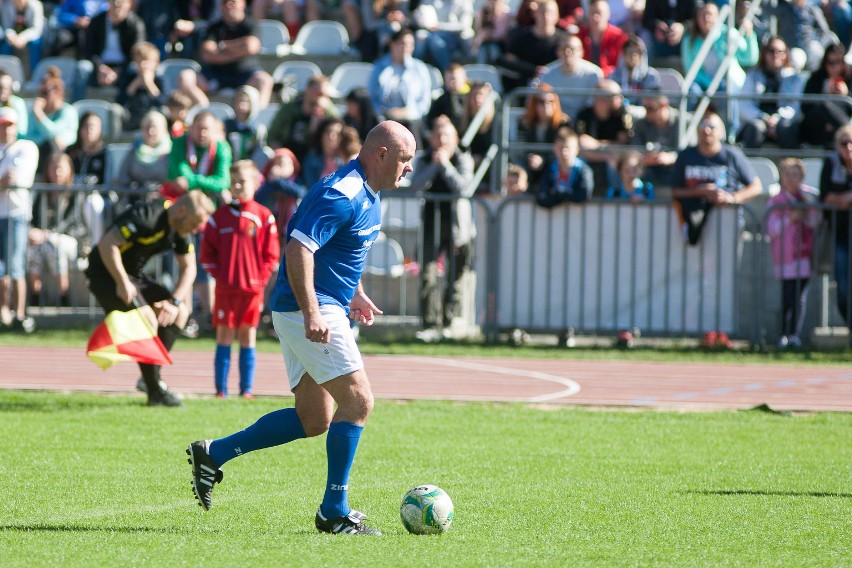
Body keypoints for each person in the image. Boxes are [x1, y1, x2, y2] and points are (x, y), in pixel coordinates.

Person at [186, 121, 417, 537]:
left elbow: (342, 250)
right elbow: (299, 247)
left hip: (321, 305)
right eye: (405, 159)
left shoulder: (369, 191)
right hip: (309, 308)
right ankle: (334, 511)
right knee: (359, 402)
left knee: (314, 418)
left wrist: (356, 293)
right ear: (382, 154)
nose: (409, 169)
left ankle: (213, 454)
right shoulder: (342, 192)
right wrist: (313, 312)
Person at [86, 190, 215, 406]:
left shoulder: (180, 228)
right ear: (182, 210)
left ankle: (150, 381)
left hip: (133, 276)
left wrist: (174, 301)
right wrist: (121, 282)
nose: (195, 230)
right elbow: (108, 244)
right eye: (194, 224)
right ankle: (155, 390)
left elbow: (189, 267)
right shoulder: (147, 215)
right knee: (147, 317)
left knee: (181, 313)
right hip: (105, 273)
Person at [201, 161, 280, 398]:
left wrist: (260, 279)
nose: (237, 186)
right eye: (233, 181)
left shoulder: (264, 217)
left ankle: (246, 390)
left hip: (252, 291)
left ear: (256, 183)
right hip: (225, 291)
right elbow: (207, 254)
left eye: (242, 181)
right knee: (224, 336)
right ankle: (220, 391)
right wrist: (220, 276)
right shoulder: (218, 218)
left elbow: (272, 255)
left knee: (248, 336)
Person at [408, 116, 475, 339]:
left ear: (455, 138)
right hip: (431, 222)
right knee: (427, 274)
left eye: (446, 135)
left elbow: (463, 187)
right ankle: (429, 324)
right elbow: (416, 185)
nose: (442, 140)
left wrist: (445, 165)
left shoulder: (463, 159)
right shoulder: (424, 158)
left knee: (455, 275)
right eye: (437, 135)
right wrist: (434, 166)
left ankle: (449, 323)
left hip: (457, 226)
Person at [671, 111, 762, 245]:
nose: (707, 130)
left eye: (712, 126)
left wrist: (732, 198)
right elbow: (675, 191)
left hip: (726, 221)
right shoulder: (686, 156)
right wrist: (700, 191)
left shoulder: (732, 155)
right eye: (703, 125)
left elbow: (756, 186)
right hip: (693, 222)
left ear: (721, 132)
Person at [766, 157, 821, 349]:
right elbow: (772, 230)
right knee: (787, 296)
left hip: (803, 255)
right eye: (788, 175)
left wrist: (809, 210)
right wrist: (791, 217)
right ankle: (782, 333)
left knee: (800, 298)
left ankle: (794, 334)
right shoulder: (776, 201)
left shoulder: (806, 199)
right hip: (785, 256)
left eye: (795, 175)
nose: (791, 179)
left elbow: (815, 224)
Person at [27, 153, 87, 307]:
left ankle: (63, 296)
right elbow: (33, 218)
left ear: (69, 170)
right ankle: (35, 295)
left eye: (60, 168)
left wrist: (47, 234)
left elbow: (72, 221)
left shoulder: (75, 193)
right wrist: (32, 231)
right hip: (44, 240)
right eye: (53, 167)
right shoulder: (42, 193)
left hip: (70, 238)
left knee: (54, 245)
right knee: (34, 248)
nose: (56, 172)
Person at [0, 107, 38, 333]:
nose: (6, 130)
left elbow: (17, 179)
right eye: (2, 126)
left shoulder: (26, 148)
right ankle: (4, 312)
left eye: (9, 125)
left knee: (15, 266)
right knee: (1, 267)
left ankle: (20, 314)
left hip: (15, 214)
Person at [198, 0, 274, 108]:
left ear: (242, 3)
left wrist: (223, 47)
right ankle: (203, 110)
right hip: (217, 74)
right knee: (186, 77)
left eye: (233, 1)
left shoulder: (251, 24)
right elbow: (207, 53)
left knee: (265, 80)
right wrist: (239, 50)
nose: (229, 5)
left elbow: (251, 47)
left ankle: (259, 117)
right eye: (225, 2)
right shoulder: (214, 27)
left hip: (245, 73)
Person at [737, 36, 803, 149]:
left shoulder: (794, 78)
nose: (775, 54)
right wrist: (764, 118)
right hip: (758, 119)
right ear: (765, 53)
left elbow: (794, 107)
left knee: (786, 128)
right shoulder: (752, 75)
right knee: (756, 128)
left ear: (786, 54)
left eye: (780, 51)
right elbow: (744, 105)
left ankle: (791, 165)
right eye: (771, 51)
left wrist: (777, 118)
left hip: (782, 120)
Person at [368, 27, 432, 139]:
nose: (406, 48)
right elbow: (372, 96)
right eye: (402, 43)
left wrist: (408, 112)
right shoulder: (379, 67)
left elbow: (424, 102)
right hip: (384, 117)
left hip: (411, 118)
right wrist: (386, 113)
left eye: (410, 44)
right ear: (392, 44)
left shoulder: (420, 69)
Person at [819, 124, 852, 331]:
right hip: (840, 235)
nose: (848, 147)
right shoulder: (831, 164)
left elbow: (835, 198)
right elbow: (826, 198)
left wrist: (846, 198)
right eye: (844, 143)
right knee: (843, 289)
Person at [573, 79, 633, 195]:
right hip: (591, 155)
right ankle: (580, 195)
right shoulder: (584, 114)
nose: (621, 99)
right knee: (578, 160)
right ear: (600, 99)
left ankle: (616, 195)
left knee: (614, 162)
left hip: (612, 156)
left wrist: (597, 145)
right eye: (616, 96)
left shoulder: (621, 114)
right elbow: (581, 144)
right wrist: (605, 154)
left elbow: (622, 144)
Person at [498, 0, 566, 92]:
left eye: (550, 12)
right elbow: (507, 60)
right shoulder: (521, 38)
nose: (546, 16)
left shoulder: (563, 40)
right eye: (542, 12)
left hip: (556, 88)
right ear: (535, 14)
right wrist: (533, 70)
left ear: (557, 15)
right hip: (525, 89)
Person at [267, 74, 339, 161]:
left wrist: (318, 121)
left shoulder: (329, 113)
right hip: (288, 155)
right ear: (307, 90)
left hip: (315, 158)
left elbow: (334, 140)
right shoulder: (289, 109)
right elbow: (272, 136)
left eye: (325, 95)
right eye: (318, 93)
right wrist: (282, 154)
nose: (321, 98)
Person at [80, 0, 147, 91]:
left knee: (137, 68)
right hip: (100, 64)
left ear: (128, 4)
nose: (117, 4)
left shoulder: (136, 24)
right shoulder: (96, 22)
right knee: (82, 67)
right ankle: (77, 102)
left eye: (121, 1)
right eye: (113, 1)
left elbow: (137, 52)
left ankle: (128, 102)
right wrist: (99, 67)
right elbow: (88, 50)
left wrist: (118, 71)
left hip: (124, 66)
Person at [538, 33, 603, 123]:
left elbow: (593, 105)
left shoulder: (594, 73)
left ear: (581, 52)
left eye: (572, 49)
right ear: (558, 52)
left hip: (585, 122)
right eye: (564, 49)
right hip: (555, 122)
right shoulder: (547, 73)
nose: (567, 53)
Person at [26, 66, 78, 176]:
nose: (41, 96)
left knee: (51, 144)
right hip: (42, 153)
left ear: (58, 92)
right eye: (40, 92)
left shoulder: (67, 111)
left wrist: (39, 115)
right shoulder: (34, 112)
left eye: (45, 92)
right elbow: (29, 136)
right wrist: (45, 138)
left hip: (66, 155)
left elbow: (53, 132)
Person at [514, 83, 572, 178]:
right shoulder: (525, 122)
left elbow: (564, 148)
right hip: (530, 162)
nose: (546, 106)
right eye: (541, 102)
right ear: (534, 104)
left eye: (550, 101)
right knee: (519, 166)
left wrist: (543, 159)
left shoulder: (563, 123)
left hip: (554, 161)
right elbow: (521, 146)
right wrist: (530, 157)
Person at [800, 43, 852, 148]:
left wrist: (846, 95)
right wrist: (826, 94)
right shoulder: (816, 78)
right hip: (816, 128)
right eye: (830, 62)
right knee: (823, 105)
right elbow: (805, 107)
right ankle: (848, 132)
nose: (835, 66)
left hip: (835, 132)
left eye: (839, 62)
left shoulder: (849, 79)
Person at [115, 110, 174, 205]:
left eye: (154, 127)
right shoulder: (134, 151)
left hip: (164, 202)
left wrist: (161, 193)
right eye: (147, 127)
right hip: (136, 202)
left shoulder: (173, 152)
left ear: (164, 129)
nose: (151, 131)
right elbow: (123, 180)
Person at [630, 92, 680, 194]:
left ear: (664, 105)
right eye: (645, 108)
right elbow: (635, 151)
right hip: (649, 168)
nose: (647, 112)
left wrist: (670, 158)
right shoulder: (641, 124)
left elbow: (691, 152)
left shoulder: (682, 121)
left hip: (673, 167)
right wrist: (645, 158)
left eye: (651, 108)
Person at [533, 125, 593, 208]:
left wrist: (559, 195)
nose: (564, 152)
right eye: (560, 148)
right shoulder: (550, 168)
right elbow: (541, 196)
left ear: (576, 150)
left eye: (567, 148)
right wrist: (563, 197)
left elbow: (584, 195)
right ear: (554, 148)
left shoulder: (583, 170)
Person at [411, 0, 474, 72]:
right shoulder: (429, 1)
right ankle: (414, 72)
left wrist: (440, 26)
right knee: (420, 36)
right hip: (432, 33)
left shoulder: (464, 2)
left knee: (436, 41)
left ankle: (447, 72)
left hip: (456, 38)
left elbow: (464, 25)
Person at [116, 41, 166, 132]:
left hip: (151, 118)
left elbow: (163, 103)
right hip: (132, 116)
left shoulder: (159, 80)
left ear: (156, 63)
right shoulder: (129, 77)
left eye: (146, 61)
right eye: (139, 61)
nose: (142, 65)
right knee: (115, 110)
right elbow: (120, 100)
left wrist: (149, 84)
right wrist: (135, 84)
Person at [576, 0, 628, 78]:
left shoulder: (619, 37)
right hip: (584, 79)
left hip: (610, 79)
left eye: (599, 13)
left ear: (608, 14)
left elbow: (621, 66)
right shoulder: (580, 36)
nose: (595, 17)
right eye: (592, 13)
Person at [609, 35, 661, 102]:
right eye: (629, 52)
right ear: (623, 55)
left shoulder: (651, 76)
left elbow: (652, 102)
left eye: (636, 52)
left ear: (642, 55)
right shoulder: (614, 76)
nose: (632, 56)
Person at [1, 0, 44, 77]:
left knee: (35, 44)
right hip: (14, 38)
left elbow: (37, 29)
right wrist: (11, 35)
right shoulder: (7, 6)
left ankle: (34, 75)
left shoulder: (36, 5)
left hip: (30, 37)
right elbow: (6, 26)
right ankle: (3, 72)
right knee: (5, 45)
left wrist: (23, 38)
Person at [301, 117, 345, 187]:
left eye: (337, 133)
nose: (332, 137)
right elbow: (311, 188)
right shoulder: (311, 159)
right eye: (328, 132)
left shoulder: (346, 161)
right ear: (321, 134)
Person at [426, 63, 469, 135]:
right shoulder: (441, 100)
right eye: (448, 79)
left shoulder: (471, 97)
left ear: (464, 79)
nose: (452, 82)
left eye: (454, 79)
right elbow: (431, 120)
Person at [471, 0, 512, 65]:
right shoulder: (482, 12)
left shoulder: (505, 13)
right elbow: (479, 31)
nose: (492, 2)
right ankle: (481, 70)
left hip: (499, 44)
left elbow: (502, 34)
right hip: (484, 43)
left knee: (493, 50)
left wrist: (489, 35)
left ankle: (496, 70)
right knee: (482, 50)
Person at [0, 70, 28, 140]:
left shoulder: (18, 103)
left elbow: (22, 131)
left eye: (7, 87)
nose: (3, 90)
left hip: (14, 143)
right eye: (0, 87)